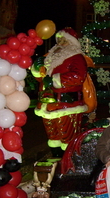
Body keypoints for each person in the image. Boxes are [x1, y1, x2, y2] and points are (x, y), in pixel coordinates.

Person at [31, 28, 92, 157]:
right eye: (59, 40)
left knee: (67, 135)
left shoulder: (76, 57)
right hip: (47, 103)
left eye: (64, 41)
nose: (60, 43)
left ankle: (69, 162)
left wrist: (54, 80)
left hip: (67, 104)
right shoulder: (49, 58)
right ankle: (56, 159)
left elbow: (78, 76)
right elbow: (40, 77)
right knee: (52, 135)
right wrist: (37, 68)